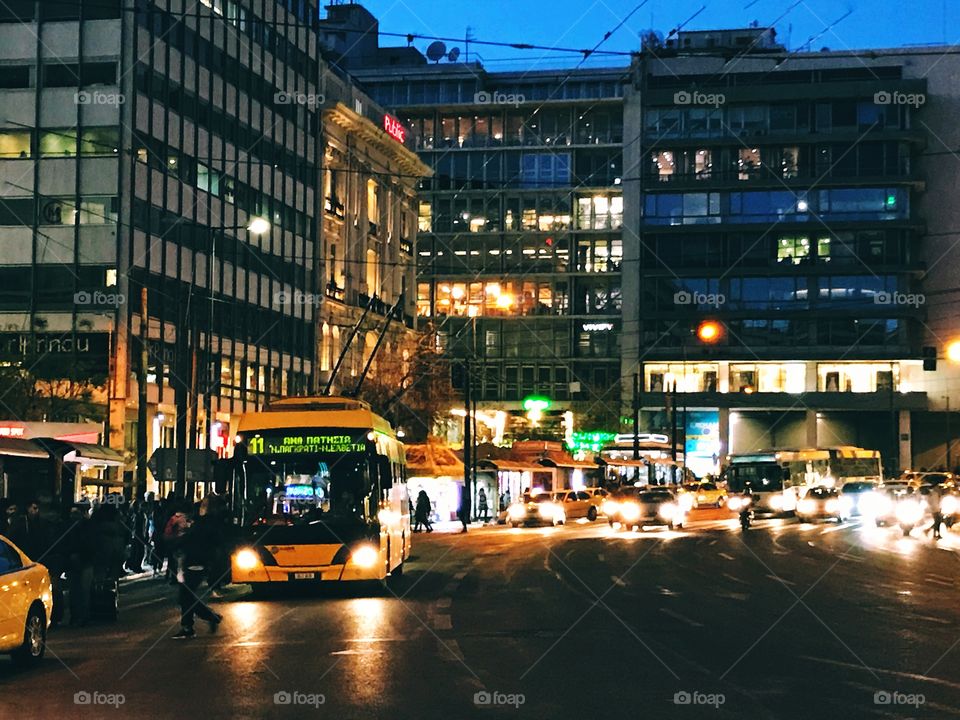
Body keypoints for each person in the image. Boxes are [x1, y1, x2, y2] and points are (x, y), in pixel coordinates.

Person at [172, 499, 223, 640]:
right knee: (186, 596)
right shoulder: (209, 524)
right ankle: (189, 626)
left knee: (186, 597)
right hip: (198, 562)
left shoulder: (202, 525)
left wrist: (176, 543)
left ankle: (205, 619)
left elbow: (191, 540)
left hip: (196, 562)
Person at [65, 504, 97, 627]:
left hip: (86, 561)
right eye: (72, 513)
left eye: (76, 513)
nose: (73, 516)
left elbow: (91, 544)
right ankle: (75, 616)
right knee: (74, 590)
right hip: (73, 562)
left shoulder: (88, 526)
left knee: (84, 590)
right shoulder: (69, 527)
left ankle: (84, 616)